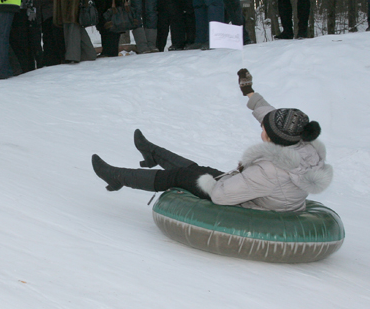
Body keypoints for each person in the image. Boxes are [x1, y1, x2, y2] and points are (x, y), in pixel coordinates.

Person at [91, 69, 332, 212]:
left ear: (272, 137)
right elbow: (271, 117)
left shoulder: (270, 170)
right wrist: (249, 91)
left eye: (263, 129)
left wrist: (204, 181)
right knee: (199, 170)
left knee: (183, 176)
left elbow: (220, 196)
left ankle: (118, 177)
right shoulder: (300, 142)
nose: (261, 128)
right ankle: (151, 153)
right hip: (266, 193)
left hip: (254, 205)